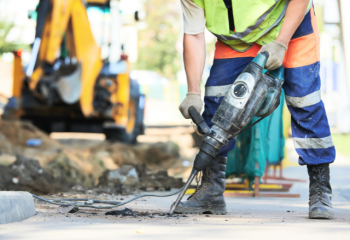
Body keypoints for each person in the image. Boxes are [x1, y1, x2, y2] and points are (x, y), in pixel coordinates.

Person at [177, 0, 335, 219]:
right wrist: (192, 92)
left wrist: (281, 42)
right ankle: (211, 192)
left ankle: (320, 191)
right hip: (237, 41)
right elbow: (194, 35)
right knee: (217, 104)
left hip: (291, 27)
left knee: (304, 101)